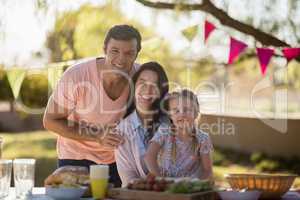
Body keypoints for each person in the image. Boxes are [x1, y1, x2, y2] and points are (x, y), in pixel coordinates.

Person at [43, 24, 142, 187]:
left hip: (122, 160)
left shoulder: (142, 77)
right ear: (104, 49)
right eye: (115, 51)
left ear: (137, 54)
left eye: (129, 53)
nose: (121, 59)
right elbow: (51, 121)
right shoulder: (76, 76)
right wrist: (97, 135)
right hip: (76, 159)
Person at [115, 62, 169, 187]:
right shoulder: (122, 131)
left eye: (154, 85)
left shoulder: (170, 123)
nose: (148, 90)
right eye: (142, 83)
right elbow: (128, 178)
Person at [144, 89, 213, 180]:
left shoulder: (202, 139)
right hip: (164, 187)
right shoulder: (165, 131)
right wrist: (160, 180)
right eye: (176, 111)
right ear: (170, 116)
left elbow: (207, 170)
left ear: (196, 113)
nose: (182, 114)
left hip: (187, 189)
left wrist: (197, 184)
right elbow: (149, 157)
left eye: (187, 110)